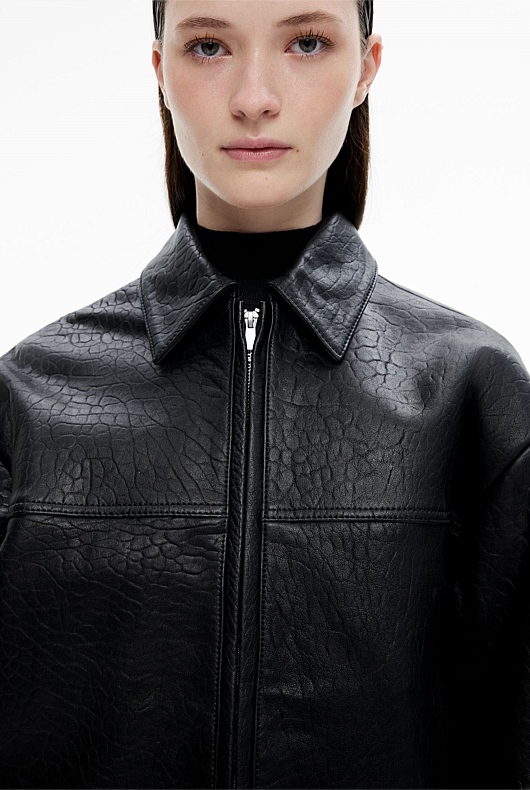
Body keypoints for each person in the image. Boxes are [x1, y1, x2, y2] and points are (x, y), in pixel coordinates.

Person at [0, 0, 529, 788]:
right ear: (160, 70)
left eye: (307, 42)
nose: (254, 98)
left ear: (367, 68)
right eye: (209, 46)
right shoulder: (28, 400)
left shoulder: (472, 396)